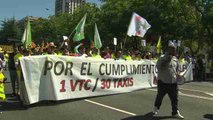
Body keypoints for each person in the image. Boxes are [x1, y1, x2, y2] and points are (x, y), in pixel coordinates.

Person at [153, 44, 184, 119]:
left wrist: (179, 74)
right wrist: (166, 60)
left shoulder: (175, 59)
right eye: (172, 49)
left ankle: (175, 112)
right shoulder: (162, 57)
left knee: (175, 98)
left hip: (173, 83)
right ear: (168, 50)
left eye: (174, 49)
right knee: (160, 96)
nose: (174, 51)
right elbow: (158, 66)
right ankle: (156, 107)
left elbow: (177, 70)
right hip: (163, 82)